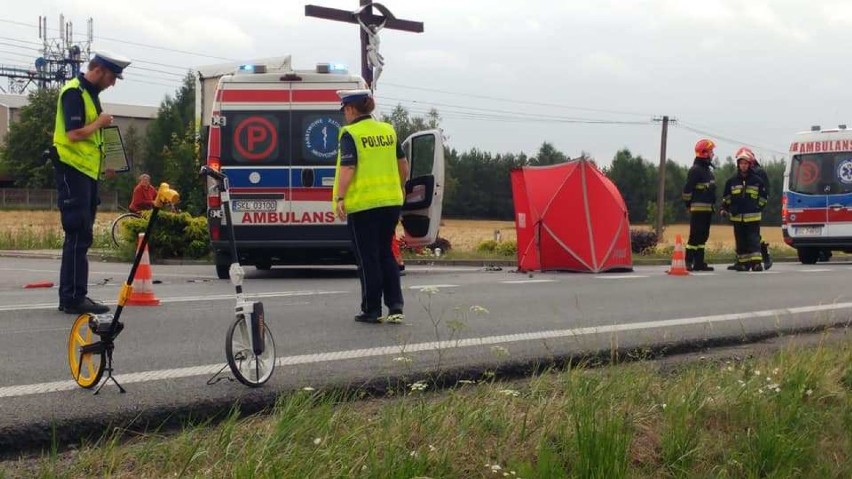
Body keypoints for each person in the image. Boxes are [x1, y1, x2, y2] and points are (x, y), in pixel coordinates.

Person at [52, 51, 130, 315]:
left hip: (85, 174)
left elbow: (90, 139)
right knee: (77, 233)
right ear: (97, 70)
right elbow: (73, 134)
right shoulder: (74, 93)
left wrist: (106, 163)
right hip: (72, 172)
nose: (113, 83)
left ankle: (74, 294)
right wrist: (99, 122)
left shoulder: (90, 96)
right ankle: (73, 297)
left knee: (82, 235)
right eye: (111, 77)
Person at [332, 89, 409, 324]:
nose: (344, 114)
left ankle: (371, 309)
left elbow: (348, 167)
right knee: (386, 253)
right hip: (390, 202)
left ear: (352, 109)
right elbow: (402, 163)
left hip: (364, 204)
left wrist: (340, 198)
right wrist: (401, 187)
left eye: (345, 109)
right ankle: (395, 306)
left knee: (368, 258)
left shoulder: (350, 134)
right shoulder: (388, 130)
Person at [721, 150, 768, 272]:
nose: (743, 165)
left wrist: (758, 207)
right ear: (738, 165)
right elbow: (726, 197)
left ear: (750, 164)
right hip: (737, 217)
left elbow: (763, 198)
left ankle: (756, 263)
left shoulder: (757, 181)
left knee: (753, 240)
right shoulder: (731, 181)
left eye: (745, 163)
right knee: (740, 241)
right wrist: (724, 209)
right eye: (741, 163)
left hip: (753, 217)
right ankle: (743, 264)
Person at [681, 138, 717, 271]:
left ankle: (699, 262)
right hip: (697, 209)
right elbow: (687, 190)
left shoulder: (708, 171)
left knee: (703, 236)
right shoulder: (695, 170)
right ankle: (688, 261)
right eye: (711, 151)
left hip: (707, 209)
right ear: (705, 153)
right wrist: (688, 205)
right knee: (695, 235)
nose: (712, 154)